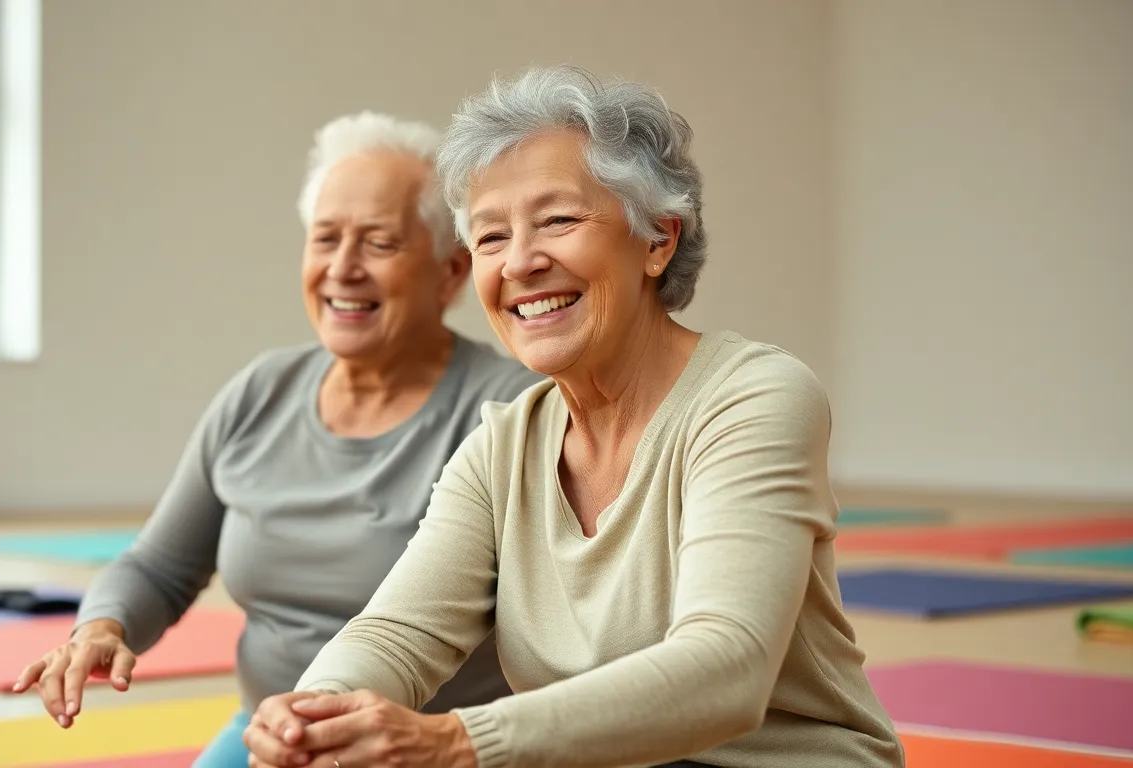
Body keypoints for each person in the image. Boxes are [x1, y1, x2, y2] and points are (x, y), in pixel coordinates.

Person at [242, 66, 906, 768]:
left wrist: (459, 740)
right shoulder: (500, 449)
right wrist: (312, 716)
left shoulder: (754, 399)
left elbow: (728, 667)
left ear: (658, 240)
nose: (522, 262)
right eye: (492, 238)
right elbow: (396, 635)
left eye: (558, 220)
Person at [11, 110, 544, 767]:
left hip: (428, 750)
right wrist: (101, 626)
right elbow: (160, 565)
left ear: (450, 272)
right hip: (267, 736)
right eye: (325, 239)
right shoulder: (260, 391)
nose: (342, 268)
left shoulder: (510, 409)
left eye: (378, 243)